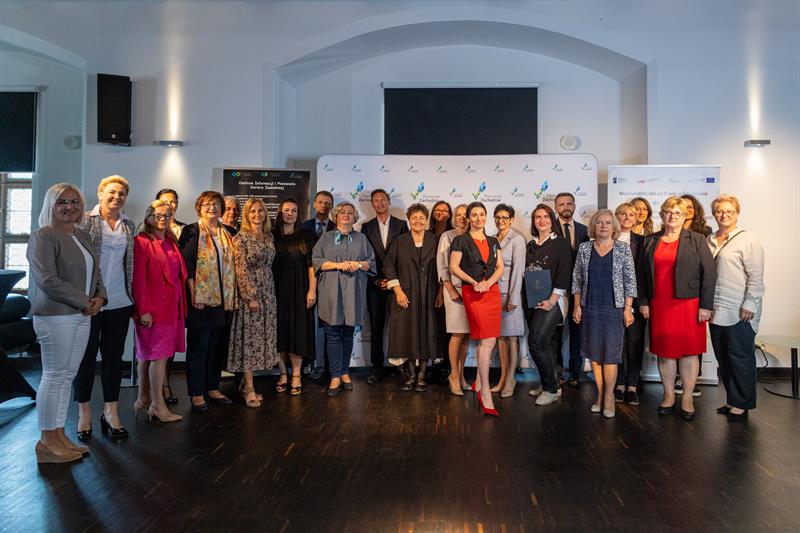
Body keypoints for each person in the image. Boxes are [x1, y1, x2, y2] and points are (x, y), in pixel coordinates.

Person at [27, 184, 105, 463]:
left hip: (81, 314)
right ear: (51, 205)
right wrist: (84, 300)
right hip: (55, 316)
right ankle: (47, 442)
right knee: (54, 376)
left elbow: (96, 273)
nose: (69, 207)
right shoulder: (43, 236)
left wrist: (100, 297)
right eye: (62, 202)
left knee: (67, 376)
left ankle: (59, 435)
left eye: (74, 202)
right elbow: (47, 280)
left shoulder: (82, 235)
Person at [638, 197, 716, 421]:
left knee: (689, 351)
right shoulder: (650, 240)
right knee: (665, 352)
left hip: (689, 304)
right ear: (662, 215)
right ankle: (669, 396)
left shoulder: (697, 239)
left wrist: (706, 306)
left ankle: (687, 398)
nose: (672, 216)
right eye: (668, 212)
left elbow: (709, 274)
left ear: (684, 216)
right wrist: (643, 302)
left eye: (677, 213)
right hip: (659, 304)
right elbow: (641, 274)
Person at [74, 175, 135, 441]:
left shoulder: (128, 225)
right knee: (86, 357)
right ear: (100, 194)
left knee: (113, 357)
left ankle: (111, 411)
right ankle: (84, 412)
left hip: (120, 301)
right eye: (112, 192)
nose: (117, 197)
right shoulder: (84, 221)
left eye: (122, 194)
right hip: (89, 301)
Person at [572, 210, 637, 418]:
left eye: (608, 223)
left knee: (610, 356)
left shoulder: (623, 249)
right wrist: (577, 306)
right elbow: (577, 280)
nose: (603, 226)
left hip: (613, 309)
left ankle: (609, 397)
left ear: (614, 227)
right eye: (599, 222)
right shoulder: (584, 248)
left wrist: (628, 308)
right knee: (594, 355)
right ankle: (600, 395)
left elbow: (630, 282)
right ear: (593, 226)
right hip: (590, 307)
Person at [178, 191, 238, 412]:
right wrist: (195, 294)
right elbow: (187, 264)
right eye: (207, 204)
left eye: (216, 204)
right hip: (201, 300)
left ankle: (213, 387)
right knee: (199, 346)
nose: (212, 208)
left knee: (216, 346)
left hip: (224, 299)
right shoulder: (191, 230)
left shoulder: (228, 232)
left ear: (222, 209)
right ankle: (196, 392)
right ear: (199, 208)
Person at [707, 195, 764, 421]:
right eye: (720, 211)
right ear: (714, 214)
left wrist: (750, 303)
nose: (724, 215)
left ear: (737, 214)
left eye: (729, 211)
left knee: (740, 357)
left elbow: (756, 277)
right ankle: (733, 399)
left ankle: (742, 404)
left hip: (740, 309)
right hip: (716, 308)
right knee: (724, 357)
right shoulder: (711, 239)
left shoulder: (748, 239)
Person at [312, 201, 376, 397]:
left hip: (354, 291)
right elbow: (317, 262)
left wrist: (358, 265)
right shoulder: (326, 237)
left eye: (350, 212)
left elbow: (371, 263)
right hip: (331, 292)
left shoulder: (361, 238)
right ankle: (334, 376)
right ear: (336, 216)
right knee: (333, 334)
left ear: (355, 217)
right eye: (342, 212)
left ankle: (345, 372)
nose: (346, 215)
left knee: (348, 334)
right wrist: (338, 265)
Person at [131, 200, 186, 423]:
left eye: (167, 215)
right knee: (157, 356)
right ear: (148, 217)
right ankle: (157, 405)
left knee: (150, 355)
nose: (163, 218)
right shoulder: (142, 241)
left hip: (170, 306)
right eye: (158, 215)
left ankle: (143, 399)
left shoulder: (171, 241)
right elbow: (138, 279)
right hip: (153, 308)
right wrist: (143, 310)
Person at [449, 202, 504, 416]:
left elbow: (500, 267)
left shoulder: (493, 241)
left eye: (482, 214)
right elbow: (454, 267)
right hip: (473, 293)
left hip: (492, 291)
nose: (479, 218)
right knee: (487, 340)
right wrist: (474, 282)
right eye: (474, 215)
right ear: (469, 218)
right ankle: (485, 392)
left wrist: (488, 283)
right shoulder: (460, 240)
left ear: (486, 217)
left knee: (489, 341)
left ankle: (480, 384)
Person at [383, 204, 440, 392]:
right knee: (407, 333)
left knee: (426, 332)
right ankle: (411, 375)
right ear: (409, 220)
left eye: (421, 217)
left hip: (429, 294)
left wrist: (440, 292)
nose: (418, 221)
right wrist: (398, 290)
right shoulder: (400, 241)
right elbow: (389, 265)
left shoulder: (435, 240)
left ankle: (422, 374)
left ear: (426, 219)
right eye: (414, 218)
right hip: (405, 295)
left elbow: (443, 267)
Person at [227, 198, 278, 408]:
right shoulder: (241, 238)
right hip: (251, 294)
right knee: (249, 339)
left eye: (260, 211)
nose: (257, 214)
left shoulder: (269, 236)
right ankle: (249, 388)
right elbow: (240, 269)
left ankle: (246, 384)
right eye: (252, 211)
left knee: (261, 338)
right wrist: (250, 297)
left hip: (268, 292)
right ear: (246, 215)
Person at [524, 204, 573, 406]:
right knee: (548, 345)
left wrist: (552, 300)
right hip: (532, 302)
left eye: (546, 216)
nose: (542, 220)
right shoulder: (531, 245)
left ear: (552, 220)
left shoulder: (560, 243)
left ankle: (550, 390)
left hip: (553, 302)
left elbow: (564, 274)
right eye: (538, 217)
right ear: (533, 221)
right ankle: (551, 384)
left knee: (536, 343)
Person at [361, 189, 408, 384]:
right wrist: (375, 280)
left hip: (396, 285)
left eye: (383, 200)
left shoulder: (402, 225)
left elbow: (405, 256)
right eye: (375, 200)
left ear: (389, 202)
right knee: (376, 328)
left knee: (399, 328)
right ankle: (377, 367)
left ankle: (401, 367)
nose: (379, 203)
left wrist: (393, 281)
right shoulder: (366, 227)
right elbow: (364, 256)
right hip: (375, 285)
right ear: (372, 204)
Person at [272, 198, 317, 397]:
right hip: (276, 291)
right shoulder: (271, 235)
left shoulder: (306, 235)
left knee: (298, 332)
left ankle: (296, 375)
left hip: (300, 290)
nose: (289, 214)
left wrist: (312, 290)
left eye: (294, 211)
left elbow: (312, 265)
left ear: (299, 214)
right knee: (279, 332)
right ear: (280, 212)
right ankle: (283, 374)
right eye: (286, 210)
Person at [153, 188, 186, 405]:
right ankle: (155, 390)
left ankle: (165, 382)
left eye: (173, 201)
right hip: (156, 295)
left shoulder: (185, 229)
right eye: (165, 201)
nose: (169, 205)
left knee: (171, 341)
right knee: (155, 344)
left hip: (176, 293)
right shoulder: (146, 229)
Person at [613, 202, 647, 405]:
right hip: (612, 301)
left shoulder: (643, 242)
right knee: (616, 343)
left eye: (631, 215)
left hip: (637, 300)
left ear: (636, 219)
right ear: (616, 216)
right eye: (622, 214)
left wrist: (643, 302)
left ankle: (632, 385)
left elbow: (645, 275)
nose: (626, 218)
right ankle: (619, 384)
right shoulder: (607, 239)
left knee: (634, 343)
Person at [554, 192, 589, 386]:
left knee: (578, 334)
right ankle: (557, 373)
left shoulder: (585, 231)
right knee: (555, 335)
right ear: (556, 208)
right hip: (555, 291)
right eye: (561, 204)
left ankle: (576, 373)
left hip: (579, 292)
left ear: (574, 206)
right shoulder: (549, 229)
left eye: (569, 203)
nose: (565, 207)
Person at [491, 203, 526, 397]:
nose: (500, 221)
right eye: (497, 217)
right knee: (500, 338)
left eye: (504, 217)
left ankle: (511, 379)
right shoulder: (492, 239)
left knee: (512, 338)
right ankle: (503, 378)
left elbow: (518, 269)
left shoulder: (517, 239)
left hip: (510, 295)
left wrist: (513, 297)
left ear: (511, 220)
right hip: (493, 295)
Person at [437, 204, 471, 396]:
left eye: (465, 215)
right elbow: (442, 266)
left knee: (466, 335)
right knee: (457, 333)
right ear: (454, 217)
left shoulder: (474, 236)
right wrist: (449, 289)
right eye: (458, 215)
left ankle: (462, 376)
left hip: (471, 291)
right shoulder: (447, 236)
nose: (462, 218)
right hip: (454, 291)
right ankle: (454, 376)